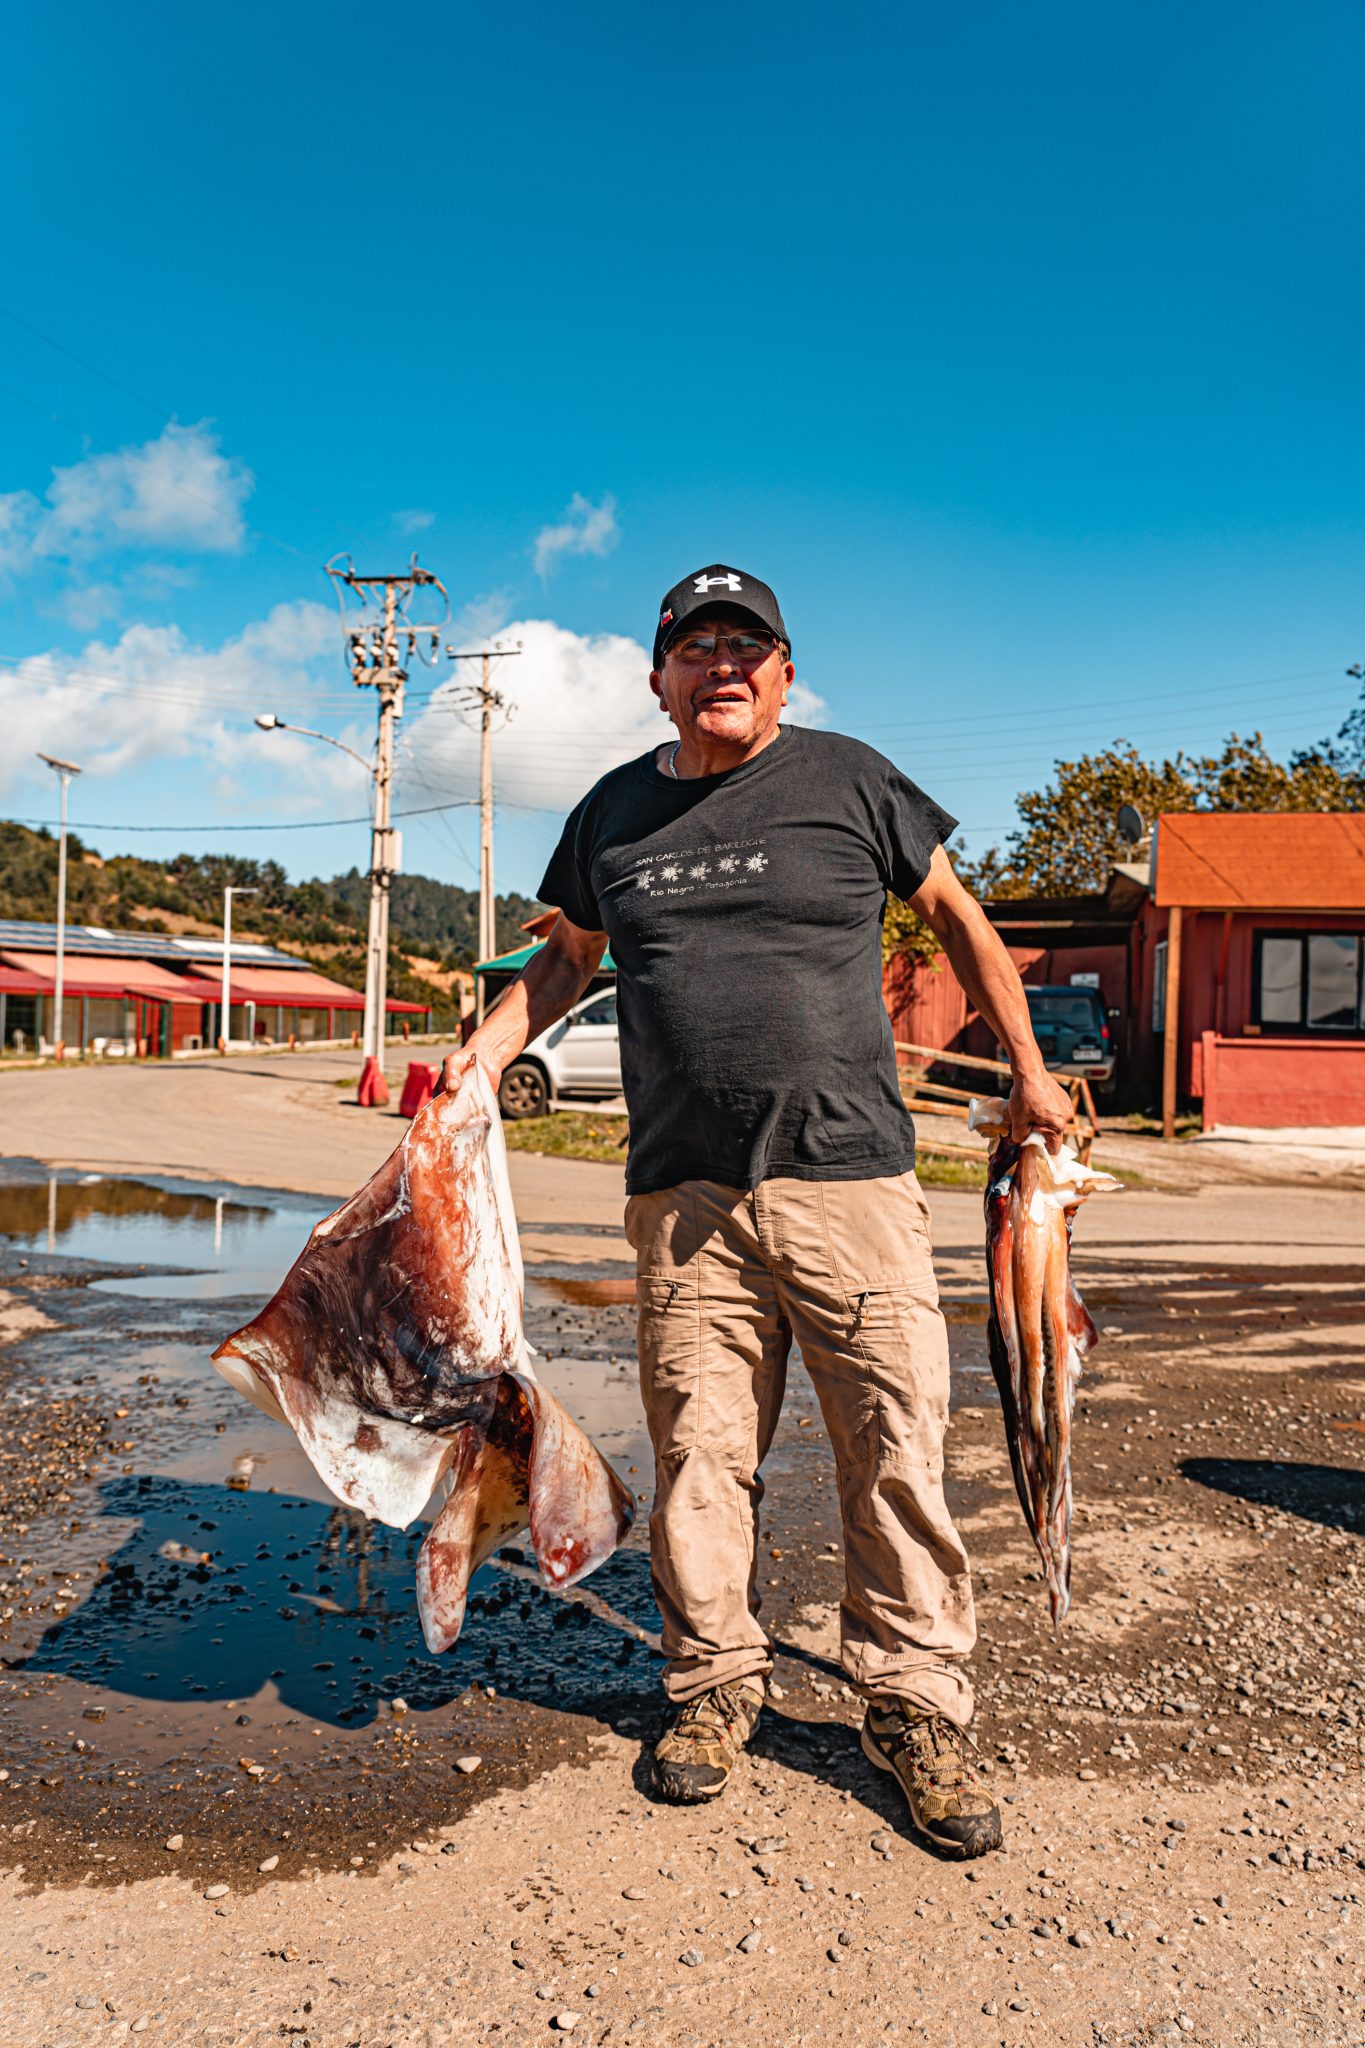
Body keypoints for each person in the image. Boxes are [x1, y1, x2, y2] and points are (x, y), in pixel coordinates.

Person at [447, 564, 1073, 1859]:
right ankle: (713, 1680)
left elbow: (958, 918)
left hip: (852, 1183)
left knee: (894, 1446)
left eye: (748, 647)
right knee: (698, 1455)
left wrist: (1025, 1067)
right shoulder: (611, 812)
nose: (721, 665)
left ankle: (912, 1701)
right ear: (659, 678)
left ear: (784, 673)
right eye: (697, 647)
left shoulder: (850, 780)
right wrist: (478, 1061)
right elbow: (565, 957)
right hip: (683, 1197)